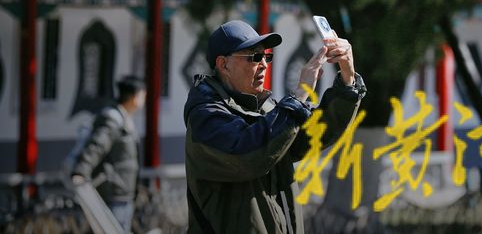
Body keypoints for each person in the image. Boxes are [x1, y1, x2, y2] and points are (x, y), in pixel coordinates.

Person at [184, 19, 366, 234]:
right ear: (224, 64)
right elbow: (247, 154)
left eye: (266, 57)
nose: (263, 64)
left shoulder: (266, 108)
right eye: (255, 57)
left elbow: (314, 134)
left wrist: (347, 78)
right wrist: (300, 94)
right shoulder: (205, 116)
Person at [71, 75, 147, 232]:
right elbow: (96, 146)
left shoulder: (124, 118)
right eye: (143, 95)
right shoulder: (112, 119)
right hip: (112, 193)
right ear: (135, 97)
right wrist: (80, 171)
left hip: (123, 194)